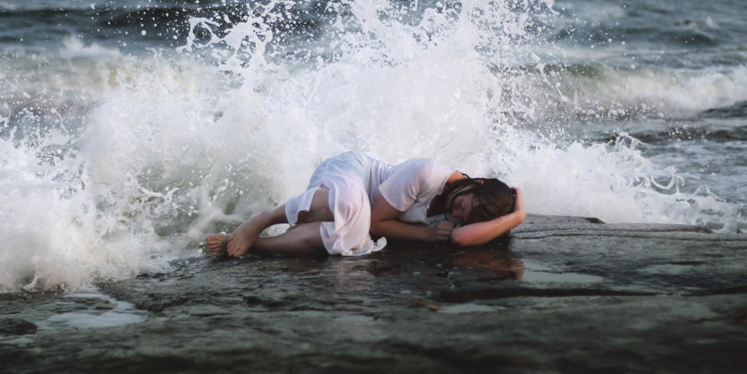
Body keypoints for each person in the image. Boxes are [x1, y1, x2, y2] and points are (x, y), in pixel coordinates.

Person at [205, 151, 525, 258]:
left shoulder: (467, 212)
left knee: (351, 241)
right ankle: (262, 219)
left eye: (465, 217)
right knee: (353, 209)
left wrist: (517, 214)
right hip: (348, 174)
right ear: (477, 182)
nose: (457, 216)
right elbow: (377, 223)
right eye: (464, 206)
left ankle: (257, 246)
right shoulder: (425, 174)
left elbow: (460, 237)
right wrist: (427, 236)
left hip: (355, 217)